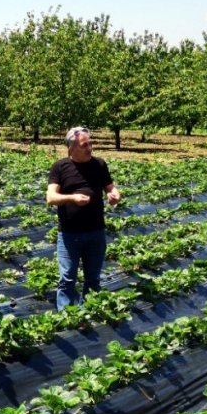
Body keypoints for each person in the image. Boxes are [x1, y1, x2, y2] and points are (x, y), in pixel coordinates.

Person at [46, 127, 121, 310]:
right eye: (84, 145)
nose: (89, 148)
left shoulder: (99, 164)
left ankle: (89, 313)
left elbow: (110, 188)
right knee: (67, 279)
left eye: (90, 143)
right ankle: (68, 318)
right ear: (71, 147)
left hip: (96, 231)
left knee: (93, 279)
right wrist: (72, 198)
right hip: (69, 234)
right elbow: (51, 198)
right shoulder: (60, 167)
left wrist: (114, 195)